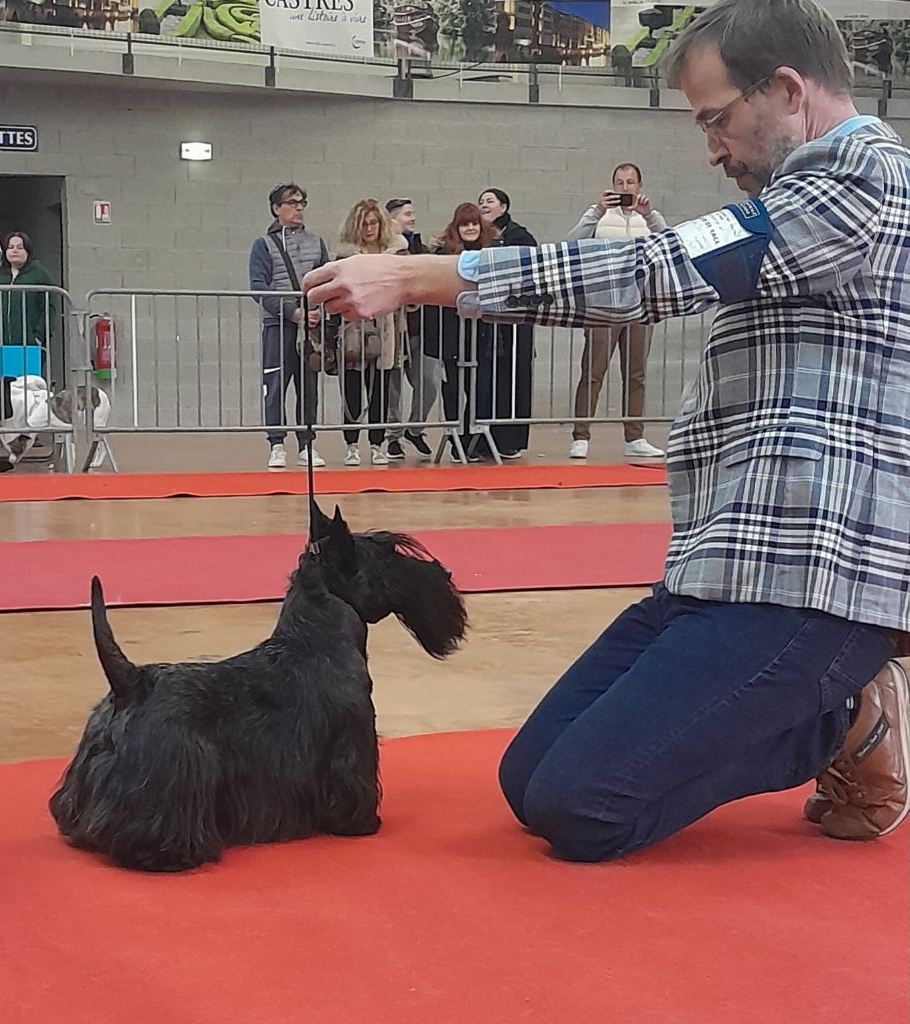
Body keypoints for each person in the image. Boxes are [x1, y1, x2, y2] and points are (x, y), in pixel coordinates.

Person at [304, 0, 910, 860]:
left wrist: (423, 274)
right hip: (723, 568)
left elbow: (648, 267)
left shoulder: (863, 180)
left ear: (785, 88)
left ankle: (848, 716)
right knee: (528, 777)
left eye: (717, 118)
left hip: (811, 588)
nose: (711, 146)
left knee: (583, 807)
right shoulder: (801, 198)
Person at [567, 164, 668, 460]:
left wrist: (650, 215)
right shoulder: (599, 215)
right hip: (603, 304)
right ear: (612, 186)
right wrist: (596, 211)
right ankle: (581, 435)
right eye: (620, 182)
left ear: (639, 185)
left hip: (640, 305)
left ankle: (634, 436)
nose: (625, 188)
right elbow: (572, 242)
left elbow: (672, 242)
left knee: (636, 374)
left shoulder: (647, 218)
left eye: (631, 182)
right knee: (594, 370)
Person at [248, 184, 330, 470]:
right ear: (276, 208)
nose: (299, 208)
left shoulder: (317, 242)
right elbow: (259, 288)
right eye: (292, 203)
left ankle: (307, 443)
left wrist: (318, 310)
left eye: (302, 203)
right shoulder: (263, 244)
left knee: (309, 387)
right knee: (276, 386)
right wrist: (292, 312)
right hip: (278, 327)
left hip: (309, 328)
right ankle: (276, 444)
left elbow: (325, 280)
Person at [335, 199, 406, 467]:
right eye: (364, 223)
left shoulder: (395, 254)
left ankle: (378, 443)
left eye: (373, 222)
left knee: (380, 389)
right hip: (354, 325)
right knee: (352, 387)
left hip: (385, 326)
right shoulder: (346, 255)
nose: (369, 228)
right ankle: (351, 444)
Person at [425, 203, 496, 463]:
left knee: (481, 389)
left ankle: (471, 439)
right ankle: (456, 439)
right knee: (453, 387)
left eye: (474, 223)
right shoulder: (444, 254)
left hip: (482, 332)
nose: (470, 228)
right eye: (465, 224)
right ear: (456, 227)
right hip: (451, 333)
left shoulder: (491, 254)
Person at [478, 188, 537, 458]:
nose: (484, 205)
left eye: (489, 201)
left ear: (503, 206)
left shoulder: (519, 235)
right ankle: (483, 436)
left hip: (514, 320)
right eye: (480, 202)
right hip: (487, 321)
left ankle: (511, 439)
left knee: (514, 377)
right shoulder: (478, 237)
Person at [384, 197, 438, 460]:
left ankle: (415, 428)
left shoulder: (421, 248)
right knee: (393, 385)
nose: (412, 218)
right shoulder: (385, 250)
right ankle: (392, 436)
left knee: (428, 382)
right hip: (394, 328)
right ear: (392, 219)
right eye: (407, 214)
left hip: (419, 329)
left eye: (412, 213)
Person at [0, 231, 56, 352]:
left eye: (20, 247)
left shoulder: (39, 274)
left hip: (30, 344)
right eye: (10, 247)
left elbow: (48, 307)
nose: (14, 251)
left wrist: (38, 336)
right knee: (0, 371)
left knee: (28, 372)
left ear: (28, 251)